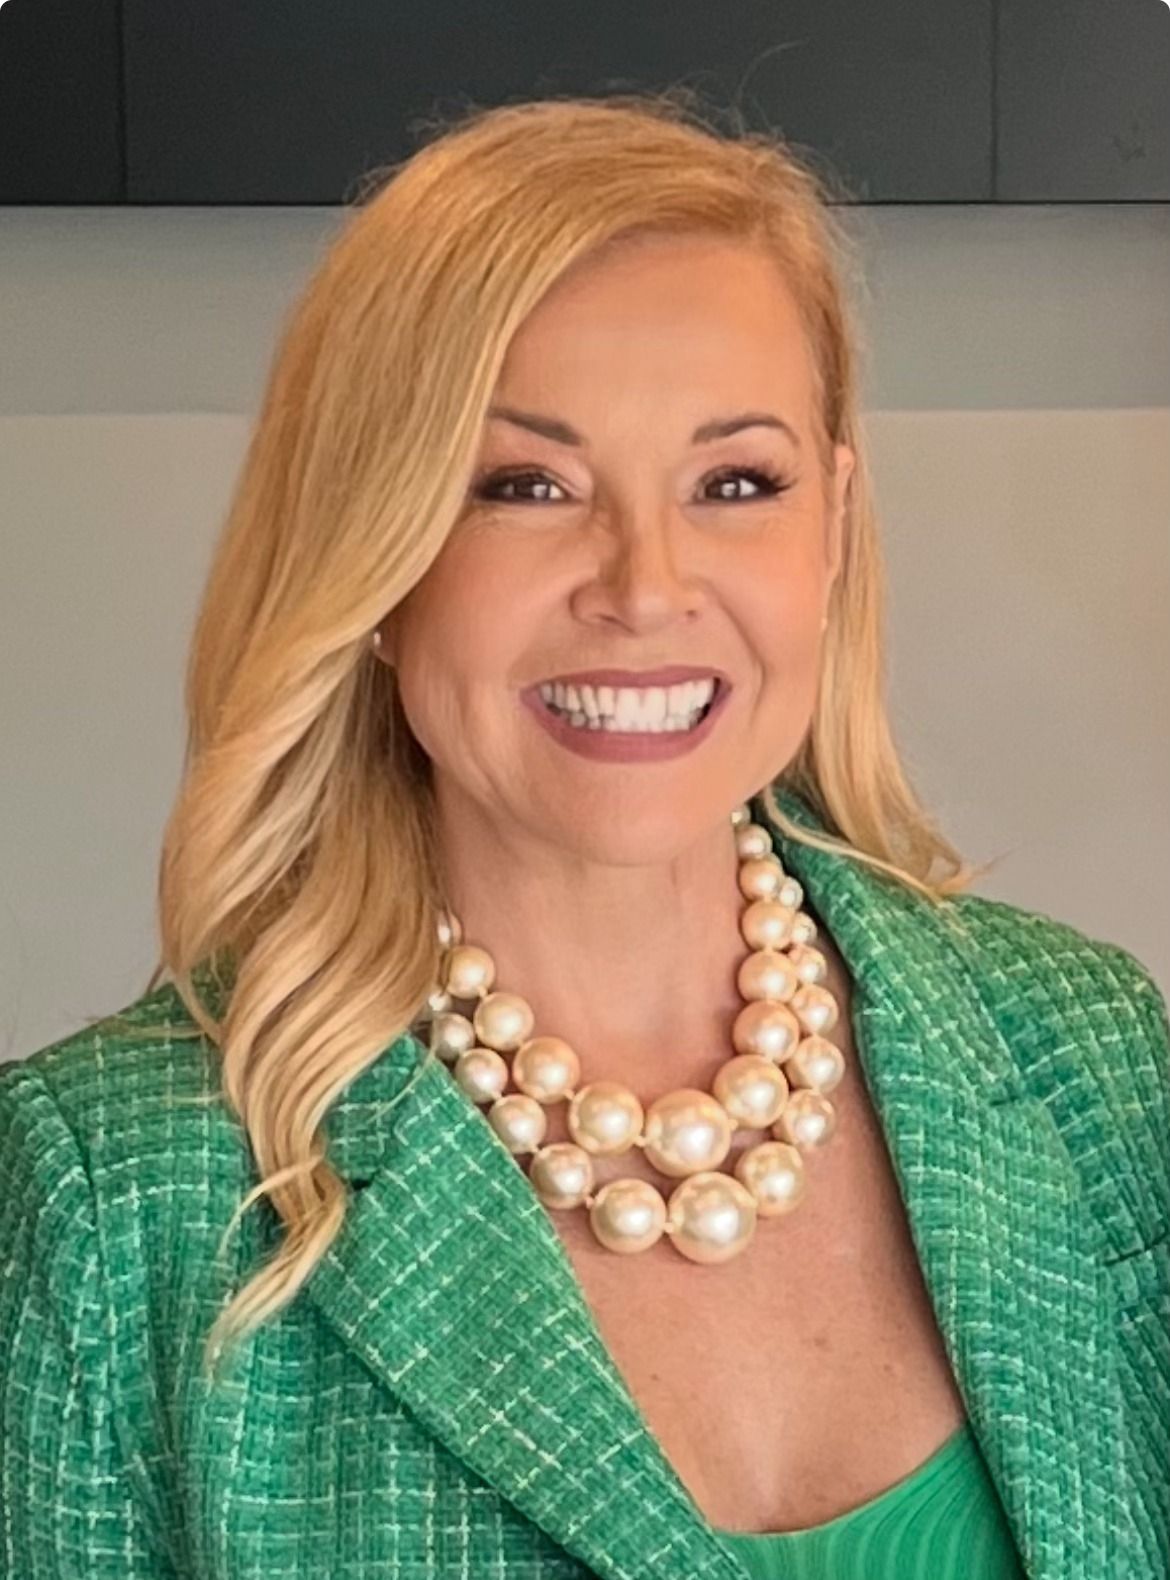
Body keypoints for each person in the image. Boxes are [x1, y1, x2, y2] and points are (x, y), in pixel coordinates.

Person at [1, 91, 1166, 1580]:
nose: (644, 582)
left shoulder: (1089, 1060)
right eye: (524, 485)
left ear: (832, 531)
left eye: (734, 482)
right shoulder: (115, 1199)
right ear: (374, 547)